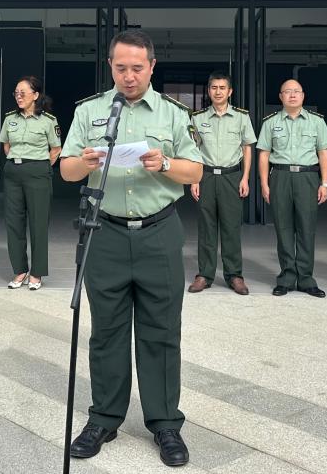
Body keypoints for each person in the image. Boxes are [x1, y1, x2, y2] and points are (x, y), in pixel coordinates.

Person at [60, 29, 202, 468]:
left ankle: (165, 423)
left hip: (159, 232)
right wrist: (83, 161)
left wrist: (165, 163)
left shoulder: (173, 114)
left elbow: (195, 169)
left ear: (152, 66)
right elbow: (65, 170)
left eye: (137, 68)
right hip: (105, 232)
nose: (129, 76)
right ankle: (104, 418)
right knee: (107, 331)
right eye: (120, 67)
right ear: (110, 66)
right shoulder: (90, 111)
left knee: (162, 332)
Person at [256, 80, 327, 298]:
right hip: (280, 176)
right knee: (283, 229)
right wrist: (264, 183)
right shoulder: (270, 122)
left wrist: (325, 183)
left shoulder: (317, 122)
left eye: (296, 92)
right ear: (280, 97)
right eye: (287, 92)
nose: (292, 95)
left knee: (306, 228)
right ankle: (287, 278)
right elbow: (263, 154)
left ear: (303, 95)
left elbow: (324, 153)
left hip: (307, 177)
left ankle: (306, 278)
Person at [188, 72, 256, 295]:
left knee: (231, 228)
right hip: (206, 176)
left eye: (222, 88)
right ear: (209, 91)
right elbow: (193, 150)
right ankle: (204, 275)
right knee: (206, 228)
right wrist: (194, 179)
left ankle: (234, 275)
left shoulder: (241, 117)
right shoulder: (198, 118)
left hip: (231, 176)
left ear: (230, 91)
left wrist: (245, 178)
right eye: (214, 88)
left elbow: (247, 147)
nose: (218, 92)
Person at [0, 76, 62, 291]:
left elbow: (56, 149)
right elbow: (6, 145)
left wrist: (39, 165)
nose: (19, 96)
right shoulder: (9, 119)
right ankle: (20, 270)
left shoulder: (48, 120)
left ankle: (36, 272)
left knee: (38, 223)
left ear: (35, 95)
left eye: (23, 93)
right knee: (14, 223)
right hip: (13, 173)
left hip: (38, 173)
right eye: (16, 93)